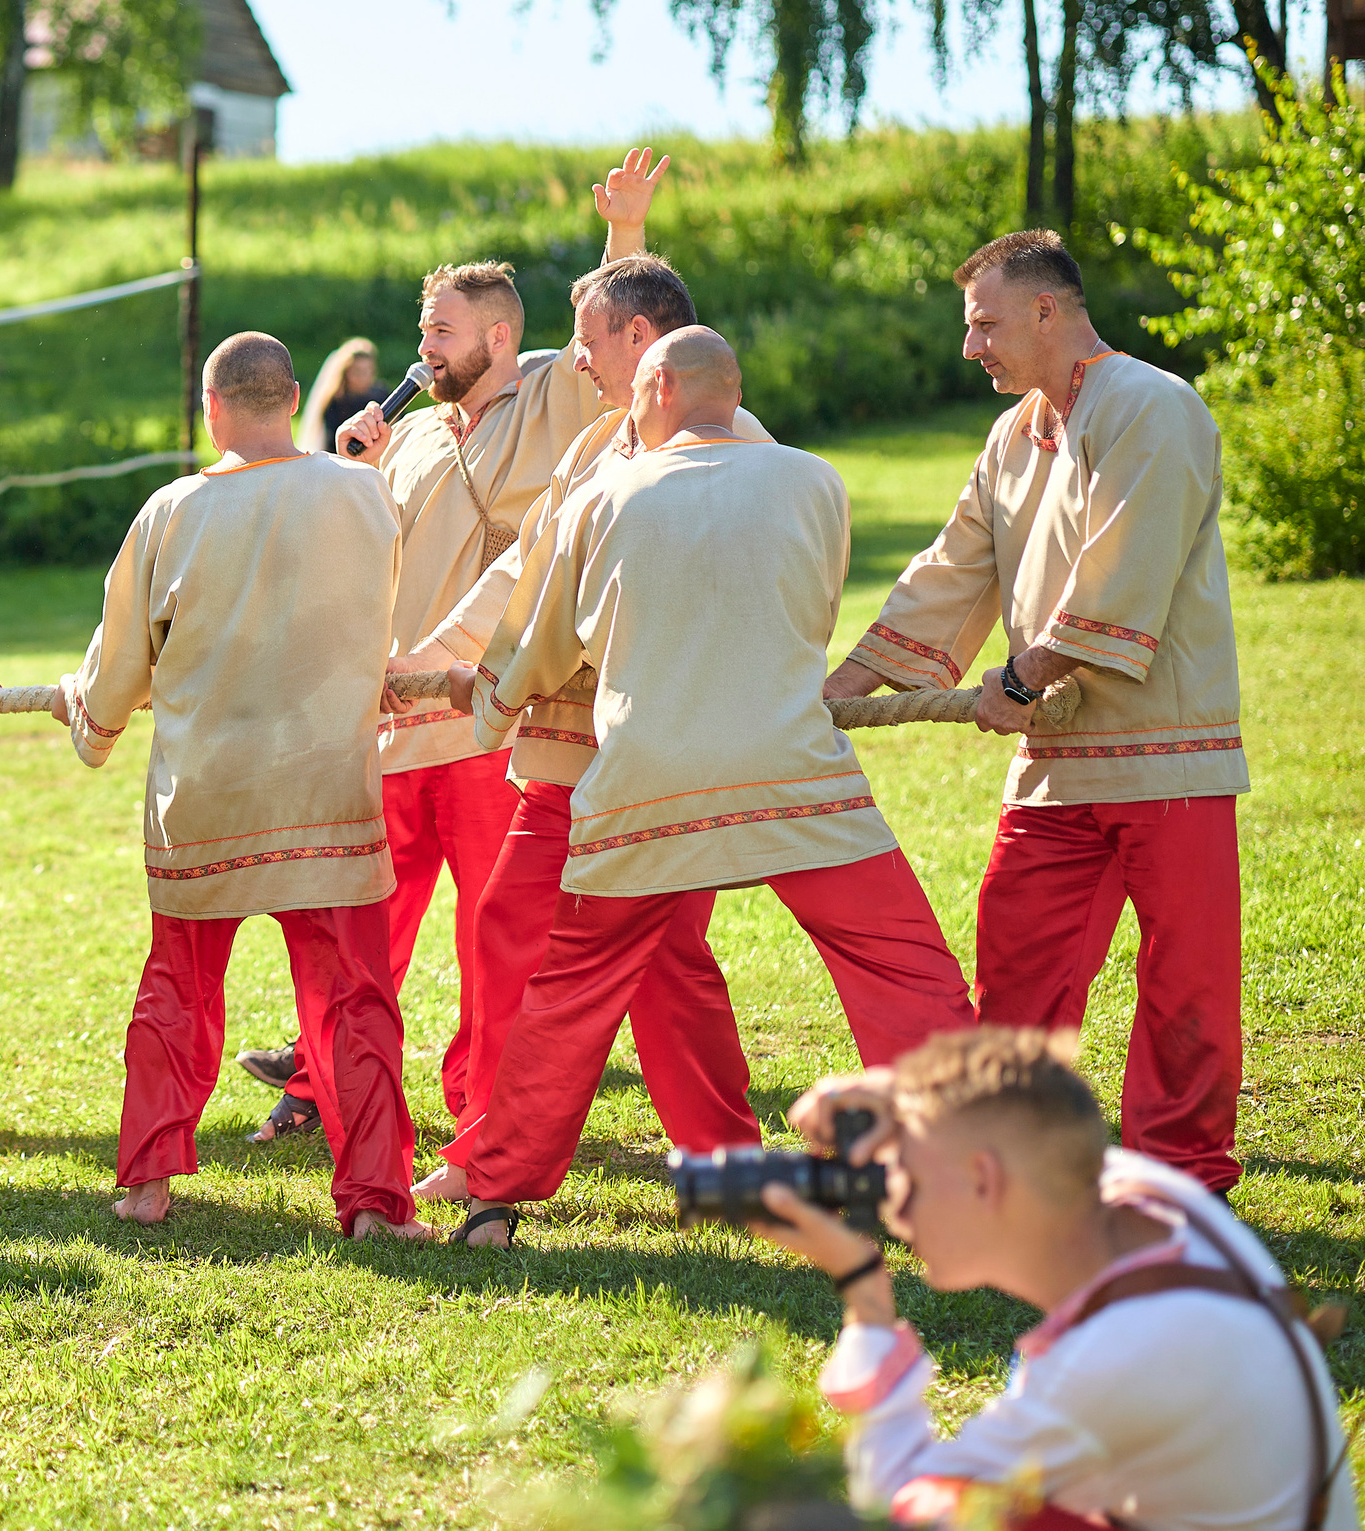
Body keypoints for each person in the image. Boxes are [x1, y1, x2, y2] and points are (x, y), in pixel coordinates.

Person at [441, 327, 975, 1247]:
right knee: (905, 966)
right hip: (795, 769)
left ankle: (495, 1196)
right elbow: (805, 605)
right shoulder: (815, 480)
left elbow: (539, 645)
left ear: (654, 384)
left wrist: (486, 697)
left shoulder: (605, 494)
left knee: (571, 991)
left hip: (647, 780)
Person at [241, 148, 659, 1143]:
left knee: (491, 942)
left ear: (500, 337)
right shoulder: (412, 435)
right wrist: (341, 471)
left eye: (440, 331)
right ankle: (322, 1092)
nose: (421, 348)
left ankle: (485, 1115)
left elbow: (622, 344)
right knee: (362, 932)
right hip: (389, 717)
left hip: (485, 716)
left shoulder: (556, 393)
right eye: (421, 330)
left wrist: (626, 231)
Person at [824, 230, 1249, 1197]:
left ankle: (1178, 1182)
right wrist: (839, 690)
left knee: (1185, 983)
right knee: (1018, 964)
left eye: (985, 323)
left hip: (1167, 753)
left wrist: (1019, 680)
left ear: (1048, 310)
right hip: (1056, 761)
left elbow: (1124, 563)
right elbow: (950, 570)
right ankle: (1011, 1162)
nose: (971, 347)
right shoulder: (1014, 433)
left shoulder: (1152, 405)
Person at [411, 253, 770, 1205]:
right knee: (506, 926)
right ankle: (489, 1147)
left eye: (587, 341)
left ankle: (726, 1162)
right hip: (566, 751)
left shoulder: (741, 449)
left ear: (640, 341)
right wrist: (417, 666)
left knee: (667, 963)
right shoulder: (598, 444)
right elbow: (526, 572)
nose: (573, 360)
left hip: (665, 753)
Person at [52, 330, 424, 1239]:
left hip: (205, 793)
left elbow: (119, 667)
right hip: (326, 789)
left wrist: (91, 727)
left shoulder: (171, 510)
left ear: (210, 409)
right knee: (354, 1004)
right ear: (294, 397)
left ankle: (147, 1182)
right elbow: (381, 618)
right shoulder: (363, 494)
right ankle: (374, 1201)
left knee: (177, 991)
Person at [748, 1027, 1354, 1531]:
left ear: (984, 1180)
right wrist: (903, 1097)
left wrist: (865, 1299)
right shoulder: (1154, 1197)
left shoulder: (1117, 1357)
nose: (892, 1206)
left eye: (905, 1176)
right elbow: (1030, 1126)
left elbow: (896, 1509)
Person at [297, 338, 379, 454]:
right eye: (357, 372)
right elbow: (330, 443)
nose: (363, 378)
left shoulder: (381, 394)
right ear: (345, 373)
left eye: (367, 371)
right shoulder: (336, 402)